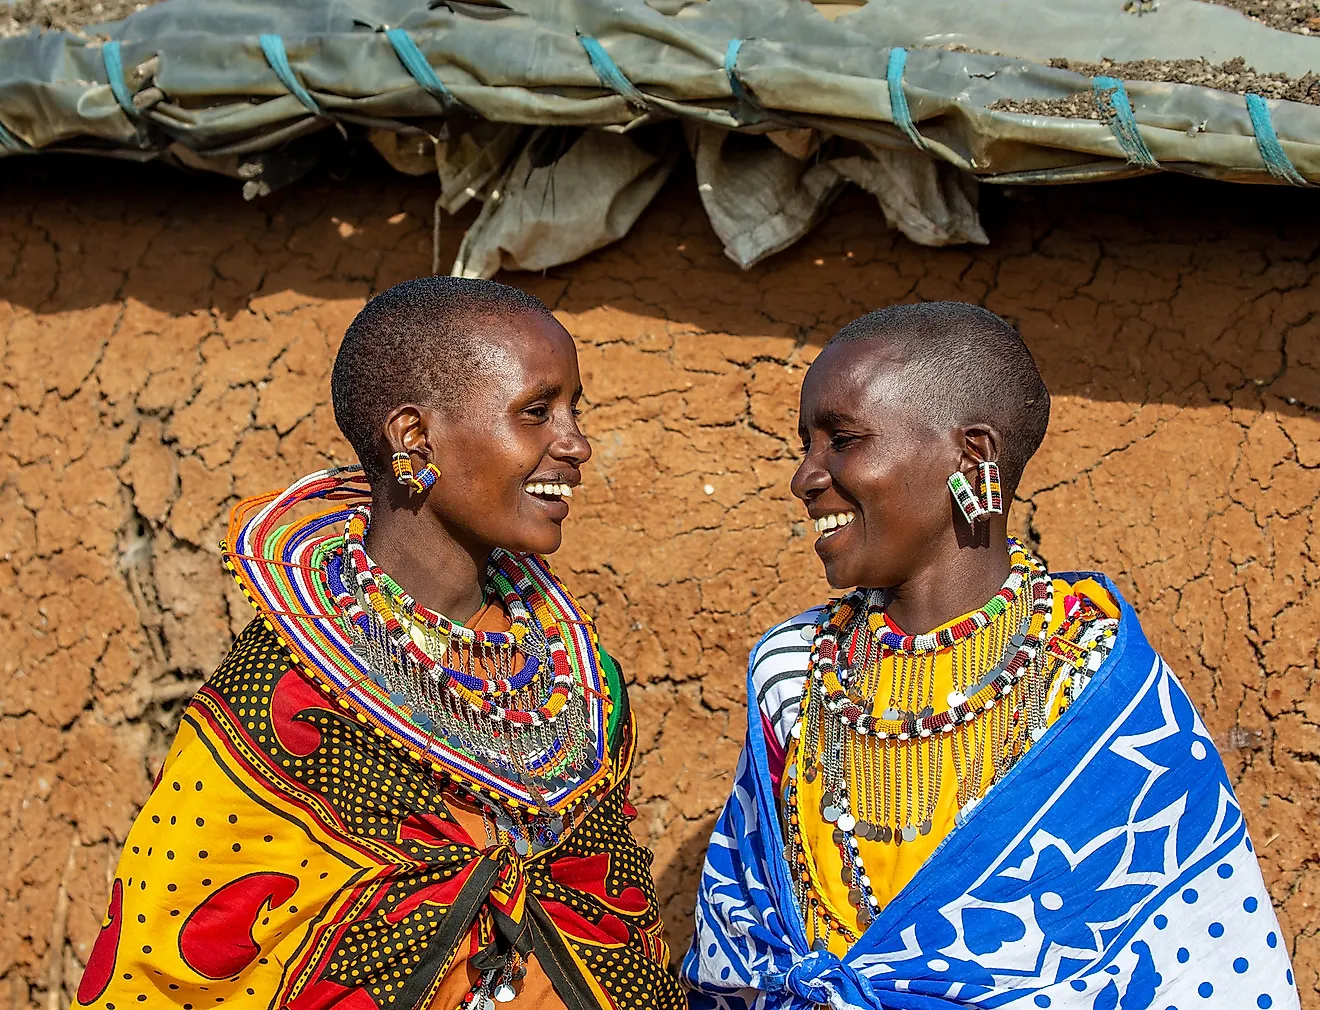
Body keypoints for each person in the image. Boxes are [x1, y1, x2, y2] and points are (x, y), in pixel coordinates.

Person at [76, 277, 685, 1010]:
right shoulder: (285, 699)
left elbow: (619, 937)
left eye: (574, 410)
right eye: (537, 411)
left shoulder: (580, 691)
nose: (576, 443)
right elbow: (165, 968)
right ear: (413, 436)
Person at [682, 303, 1298, 1009]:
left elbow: (1198, 959)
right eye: (805, 444)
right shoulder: (793, 671)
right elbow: (741, 945)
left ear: (973, 453)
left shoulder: (1095, 684)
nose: (805, 476)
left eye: (841, 440)